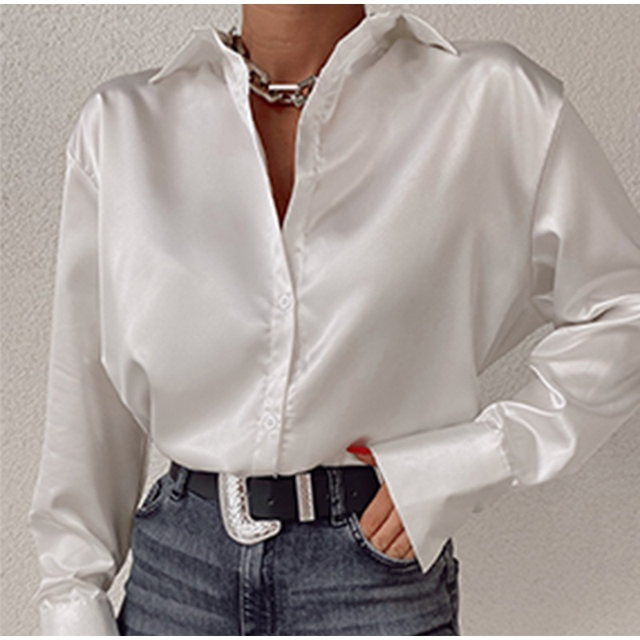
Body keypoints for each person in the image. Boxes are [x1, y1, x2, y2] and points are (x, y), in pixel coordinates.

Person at [28, 3, 640, 636]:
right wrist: (71, 602)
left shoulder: (492, 101)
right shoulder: (123, 126)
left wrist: (477, 459)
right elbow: (87, 391)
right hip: (177, 578)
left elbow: (624, 309)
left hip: (372, 583)